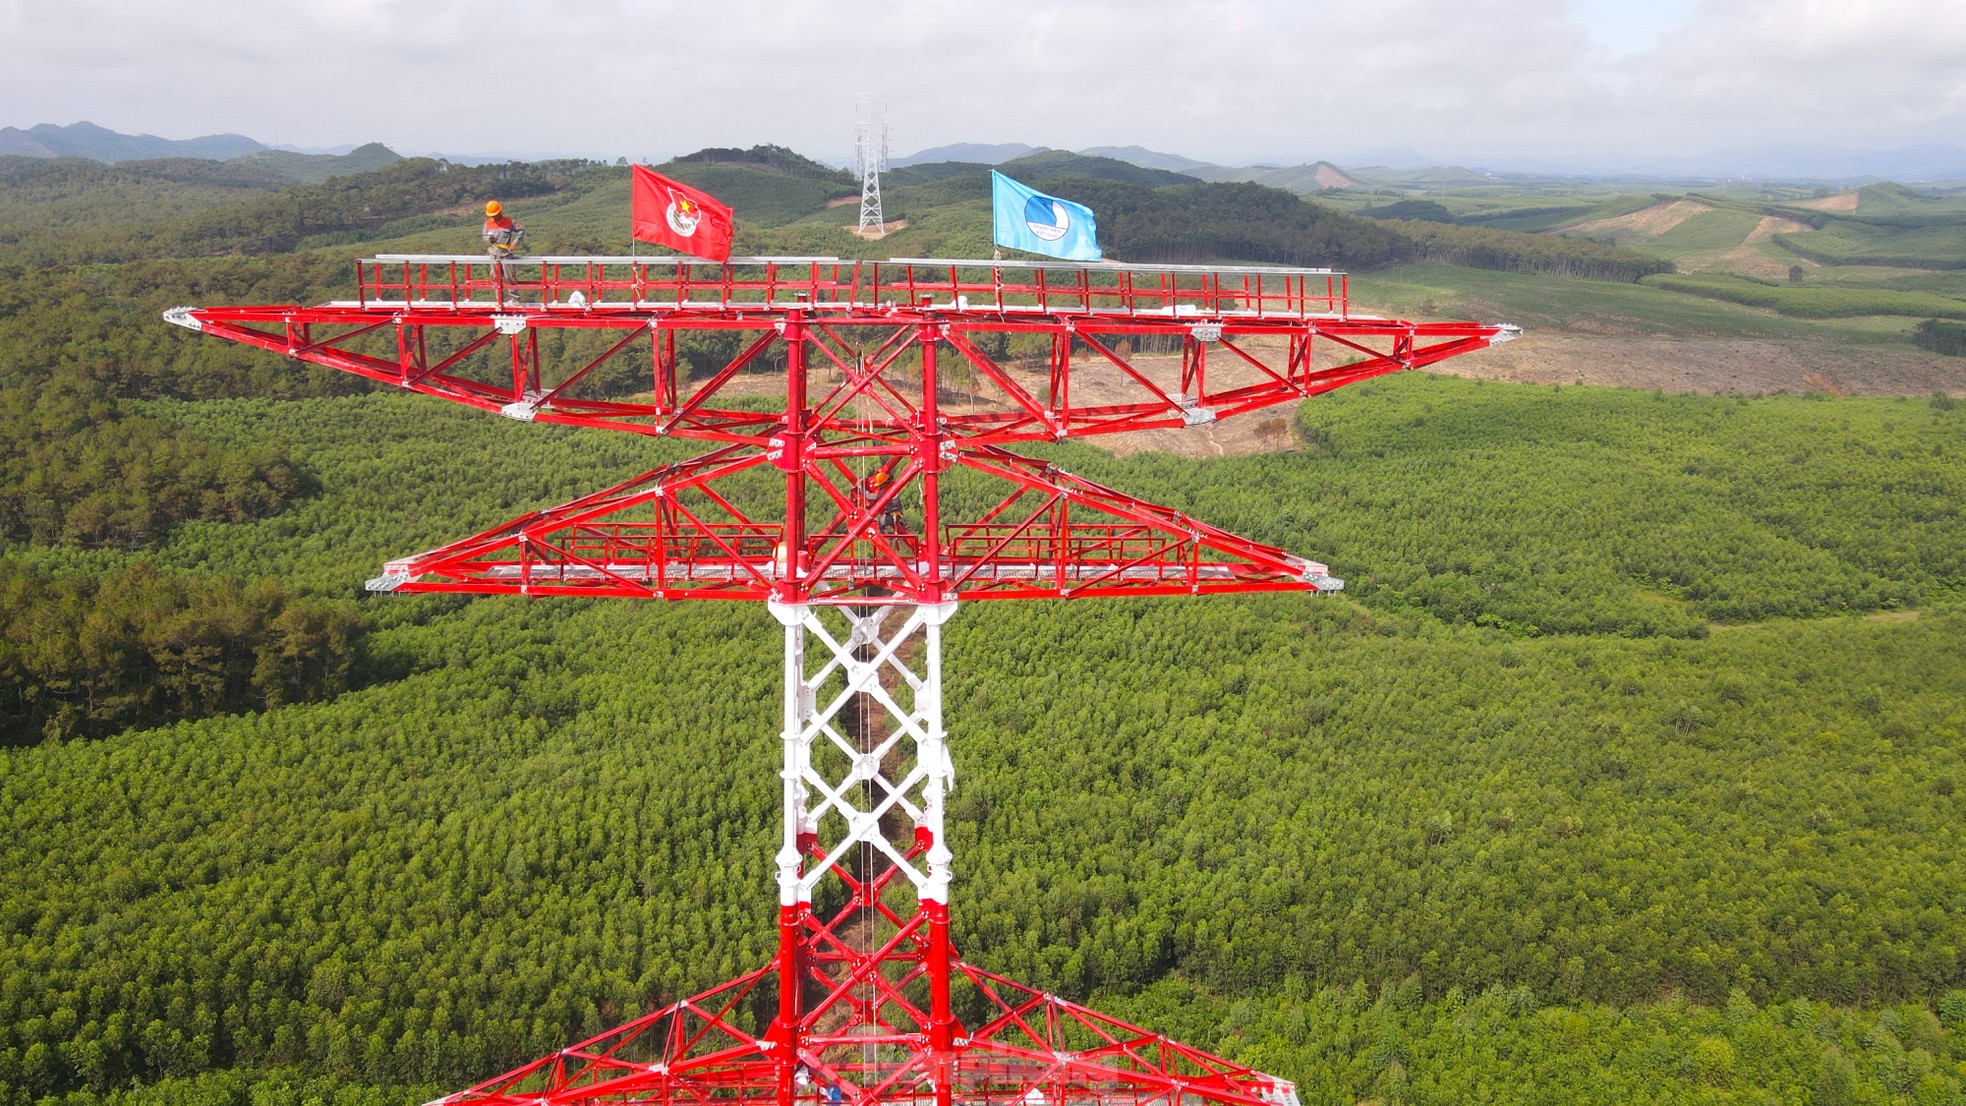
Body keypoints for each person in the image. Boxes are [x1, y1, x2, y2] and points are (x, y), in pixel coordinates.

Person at [482, 200, 525, 302]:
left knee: (509, 277)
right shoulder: (488, 224)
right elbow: (484, 236)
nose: (494, 217)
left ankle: (515, 300)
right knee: (496, 278)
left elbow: (521, 230)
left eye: (496, 214)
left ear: (500, 212)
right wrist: (489, 239)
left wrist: (515, 243)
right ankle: (499, 300)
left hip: (506, 254)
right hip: (494, 254)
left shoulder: (509, 222)